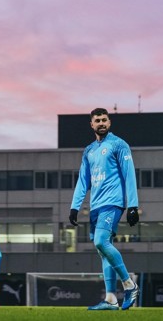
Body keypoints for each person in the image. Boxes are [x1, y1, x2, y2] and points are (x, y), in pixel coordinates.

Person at [69, 107, 141, 310]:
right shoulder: (89, 150)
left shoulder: (119, 144)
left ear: (109, 122)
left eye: (104, 120)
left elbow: (129, 175)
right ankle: (110, 298)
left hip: (113, 202)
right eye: (97, 120)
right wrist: (75, 207)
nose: (101, 123)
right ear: (91, 124)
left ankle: (129, 284)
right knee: (103, 250)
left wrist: (133, 205)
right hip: (96, 205)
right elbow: (83, 181)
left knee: (101, 241)